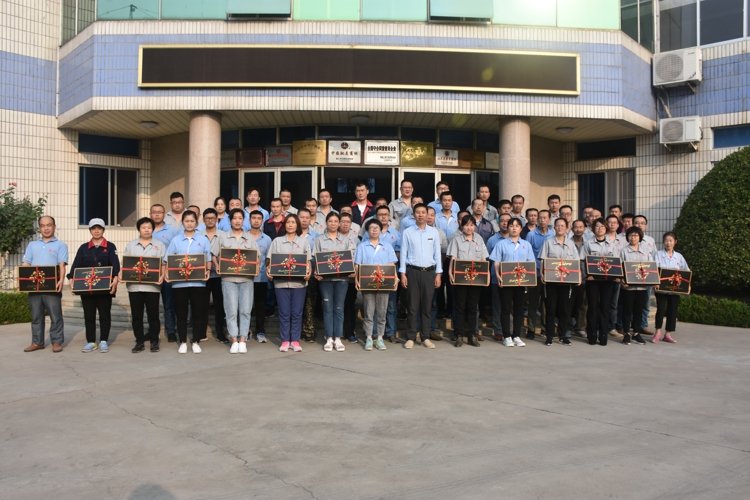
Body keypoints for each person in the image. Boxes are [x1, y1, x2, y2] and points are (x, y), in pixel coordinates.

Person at [68, 218, 121, 353]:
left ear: (103, 230)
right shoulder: (83, 248)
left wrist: (115, 279)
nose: (96, 231)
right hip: (87, 288)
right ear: (90, 230)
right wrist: (71, 279)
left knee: (104, 315)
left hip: (104, 288)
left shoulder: (110, 246)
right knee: (89, 316)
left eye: (99, 228)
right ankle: (91, 341)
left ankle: (103, 341)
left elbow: (115, 265)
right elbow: (76, 265)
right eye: (93, 228)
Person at [164, 210, 211, 354]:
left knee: (197, 312)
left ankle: (195, 340)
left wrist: (208, 271)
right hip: (179, 284)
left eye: (192, 221)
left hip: (198, 283)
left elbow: (208, 259)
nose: (189, 224)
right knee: (181, 313)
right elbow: (168, 259)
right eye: (187, 221)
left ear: (196, 223)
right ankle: (183, 341)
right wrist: (166, 273)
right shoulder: (176, 240)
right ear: (182, 223)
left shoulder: (203, 239)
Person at [399, 203, 442, 349]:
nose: (421, 215)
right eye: (418, 212)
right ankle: (411, 337)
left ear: (427, 214)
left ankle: (425, 337)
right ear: (414, 215)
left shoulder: (433, 232)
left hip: (429, 272)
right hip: (412, 272)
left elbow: (437, 254)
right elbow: (403, 253)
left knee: (427, 306)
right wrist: (403, 273)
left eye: (423, 212)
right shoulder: (408, 232)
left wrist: (438, 274)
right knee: (412, 306)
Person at [21, 215, 67, 353]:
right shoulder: (32, 245)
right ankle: (37, 342)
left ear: (54, 227)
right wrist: (22, 280)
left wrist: (61, 280)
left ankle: (57, 342)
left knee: (55, 316)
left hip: (52, 287)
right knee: (36, 316)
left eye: (49, 225)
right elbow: (26, 263)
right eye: (43, 225)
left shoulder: (60, 245)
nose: (46, 228)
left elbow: (62, 265)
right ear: (39, 228)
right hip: (34, 287)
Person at [215, 208, 258, 354]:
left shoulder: (250, 238)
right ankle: (234, 339)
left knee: (245, 310)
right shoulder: (223, 237)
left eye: (240, 218)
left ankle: (243, 339)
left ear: (243, 220)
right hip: (228, 279)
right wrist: (217, 266)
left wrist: (256, 268)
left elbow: (256, 257)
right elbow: (214, 255)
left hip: (247, 279)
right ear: (230, 220)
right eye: (234, 218)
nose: (237, 221)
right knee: (231, 310)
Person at [266, 214, 311, 352]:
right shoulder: (277, 241)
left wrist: (309, 272)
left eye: (293, 222)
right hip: (281, 283)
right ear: (284, 225)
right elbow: (270, 261)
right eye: (288, 222)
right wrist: (268, 271)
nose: (290, 225)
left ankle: (295, 340)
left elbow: (308, 261)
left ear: (297, 225)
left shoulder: (304, 242)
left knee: (297, 313)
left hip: (299, 284)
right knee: (284, 312)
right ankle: (285, 340)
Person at [314, 212, 356, 351]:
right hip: (325, 280)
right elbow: (315, 258)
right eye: (330, 221)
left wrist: (351, 269)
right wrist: (316, 272)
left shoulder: (346, 240)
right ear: (326, 223)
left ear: (339, 223)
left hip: (342, 279)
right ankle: (328, 338)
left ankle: (337, 338)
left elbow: (351, 258)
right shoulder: (319, 239)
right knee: (327, 308)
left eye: (335, 221)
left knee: (339, 308)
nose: (333, 223)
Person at [490, 217, 535, 347]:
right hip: (506, 281)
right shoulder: (501, 244)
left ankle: (516, 335)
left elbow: (530, 263)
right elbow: (496, 261)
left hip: (521, 282)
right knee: (505, 309)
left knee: (519, 309)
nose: (514, 228)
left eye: (517, 226)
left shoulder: (526, 245)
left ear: (521, 228)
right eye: (511, 225)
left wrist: (529, 279)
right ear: (507, 228)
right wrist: (498, 276)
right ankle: (507, 336)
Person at [355, 219, 399, 351]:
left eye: (377, 228)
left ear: (380, 230)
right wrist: (357, 280)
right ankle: (369, 337)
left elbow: (392, 264)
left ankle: (380, 338)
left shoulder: (387, 246)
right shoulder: (362, 246)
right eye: (371, 228)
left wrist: (395, 279)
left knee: (382, 312)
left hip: (384, 283)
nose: (374, 230)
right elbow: (357, 265)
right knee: (369, 312)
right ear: (367, 231)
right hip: (367, 284)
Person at [123, 217, 165, 353]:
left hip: (153, 287)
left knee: (153, 316)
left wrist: (162, 276)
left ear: (153, 229)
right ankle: (139, 342)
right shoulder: (131, 245)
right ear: (139, 229)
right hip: (134, 287)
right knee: (137, 316)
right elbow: (126, 264)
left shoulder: (160, 245)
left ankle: (154, 341)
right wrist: (122, 275)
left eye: (149, 227)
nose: (146, 230)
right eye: (143, 227)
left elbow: (163, 264)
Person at [447, 215, 489, 347]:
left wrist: (487, 275)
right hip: (460, 279)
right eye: (466, 225)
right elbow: (453, 258)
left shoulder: (479, 239)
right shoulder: (456, 240)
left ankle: (471, 335)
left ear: (475, 226)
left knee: (472, 307)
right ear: (462, 226)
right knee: (460, 307)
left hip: (476, 279)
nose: (469, 228)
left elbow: (483, 259)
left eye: (471, 225)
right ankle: (459, 335)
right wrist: (450, 273)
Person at [539, 217, 579, 346]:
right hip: (551, 281)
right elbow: (543, 260)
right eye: (558, 225)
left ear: (567, 228)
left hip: (567, 282)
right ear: (554, 227)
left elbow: (576, 262)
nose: (560, 228)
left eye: (562, 225)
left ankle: (563, 336)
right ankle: (549, 336)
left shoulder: (571, 244)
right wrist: (542, 274)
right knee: (550, 309)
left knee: (565, 309)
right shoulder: (548, 242)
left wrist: (578, 276)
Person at [583, 218, 618, 346]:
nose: (600, 229)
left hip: (608, 281)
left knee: (605, 307)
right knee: (592, 307)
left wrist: (616, 276)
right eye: (597, 226)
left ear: (606, 228)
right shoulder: (588, 243)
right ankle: (592, 334)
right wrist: (587, 275)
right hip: (592, 280)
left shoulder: (612, 244)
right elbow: (582, 261)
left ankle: (603, 334)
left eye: (602, 226)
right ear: (593, 229)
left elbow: (616, 262)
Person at [619, 226, 653, 345]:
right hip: (628, 287)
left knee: (639, 310)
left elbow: (651, 267)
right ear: (627, 237)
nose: (633, 237)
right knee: (627, 311)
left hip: (642, 287)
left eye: (635, 235)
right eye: (631, 235)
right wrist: (622, 281)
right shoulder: (624, 251)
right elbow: (620, 268)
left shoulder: (646, 251)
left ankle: (636, 333)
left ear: (640, 237)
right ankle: (626, 333)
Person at [653, 231, 689, 343]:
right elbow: (654, 269)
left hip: (675, 289)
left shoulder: (679, 256)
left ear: (675, 242)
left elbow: (686, 271)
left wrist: (688, 285)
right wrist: (655, 282)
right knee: (661, 310)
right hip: (661, 288)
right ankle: (657, 332)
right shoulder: (658, 254)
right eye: (666, 241)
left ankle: (668, 334)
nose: (668, 243)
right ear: (663, 242)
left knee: (672, 310)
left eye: (670, 240)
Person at [151, 203, 177, 342]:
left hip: (167, 272)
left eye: (159, 212)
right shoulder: (147, 229)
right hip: (151, 273)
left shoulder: (172, 231)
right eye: (154, 212)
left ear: (164, 214)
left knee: (169, 304)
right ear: (150, 214)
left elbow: (177, 249)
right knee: (152, 305)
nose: (157, 214)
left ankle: (171, 330)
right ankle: (152, 331)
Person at [525, 209, 553, 339]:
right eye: (540, 218)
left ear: (549, 219)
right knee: (533, 303)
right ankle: (531, 329)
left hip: (549, 273)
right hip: (535, 272)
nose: (542, 220)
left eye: (545, 218)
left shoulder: (553, 234)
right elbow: (527, 252)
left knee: (547, 303)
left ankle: (545, 328)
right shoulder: (531, 234)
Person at [202, 207, 227, 343]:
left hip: (219, 276)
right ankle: (201, 332)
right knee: (202, 304)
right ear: (203, 219)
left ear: (217, 219)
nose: (210, 220)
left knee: (220, 305)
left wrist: (215, 258)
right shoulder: (198, 234)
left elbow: (227, 253)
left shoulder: (224, 235)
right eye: (207, 218)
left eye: (212, 218)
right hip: (203, 275)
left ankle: (220, 332)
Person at [248, 210, 272, 343]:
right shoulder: (244, 237)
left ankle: (260, 332)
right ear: (249, 220)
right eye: (254, 218)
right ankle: (245, 331)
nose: (256, 220)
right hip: (246, 277)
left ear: (262, 221)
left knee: (260, 307)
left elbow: (269, 259)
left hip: (261, 277)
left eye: (259, 218)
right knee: (245, 307)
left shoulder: (267, 239)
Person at [338, 212, 360, 342]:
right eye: (343, 221)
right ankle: (338, 332)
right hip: (336, 278)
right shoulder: (334, 237)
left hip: (351, 278)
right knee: (338, 306)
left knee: (350, 306)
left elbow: (359, 257)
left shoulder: (356, 239)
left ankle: (350, 332)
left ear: (351, 224)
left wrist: (356, 271)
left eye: (348, 222)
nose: (345, 224)